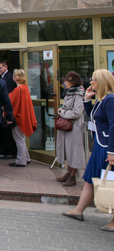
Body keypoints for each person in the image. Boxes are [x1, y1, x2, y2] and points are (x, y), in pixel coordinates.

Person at [63, 69, 114, 232]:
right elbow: (92, 116)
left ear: (101, 81)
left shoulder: (110, 99)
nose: (90, 82)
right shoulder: (102, 99)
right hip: (101, 145)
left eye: (93, 79)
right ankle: (79, 210)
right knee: (90, 179)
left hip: (107, 147)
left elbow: (113, 125)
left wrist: (112, 152)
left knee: (111, 182)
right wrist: (86, 100)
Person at [55, 71, 86, 186]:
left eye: (67, 81)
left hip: (74, 126)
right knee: (68, 150)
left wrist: (62, 112)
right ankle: (68, 172)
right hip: (69, 126)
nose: (65, 83)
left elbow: (77, 112)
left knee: (74, 151)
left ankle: (73, 175)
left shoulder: (78, 94)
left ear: (73, 82)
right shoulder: (71, 92)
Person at [8, 69, 37, 168]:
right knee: (22, 139)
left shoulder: (17, 90)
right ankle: (26, 158)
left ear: (15, 78)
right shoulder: (25, 88)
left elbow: (10, 102)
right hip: (24, 116)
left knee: (19, 139)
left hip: (18, 117)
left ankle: (21, 160)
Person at [0, 60, 17, 160]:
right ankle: (8, 151)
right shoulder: (4, 77)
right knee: (5, 131)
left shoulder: (9, 78)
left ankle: (10, 152)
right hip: (5, 108)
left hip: (7, 108)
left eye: (0, 68)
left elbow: (7, 94)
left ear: (6, 67)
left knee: (7, 131)